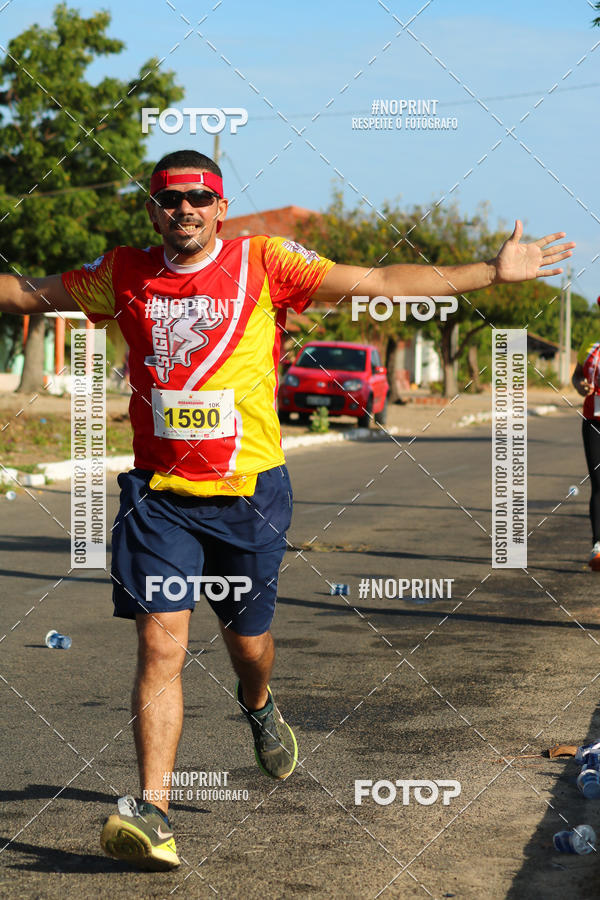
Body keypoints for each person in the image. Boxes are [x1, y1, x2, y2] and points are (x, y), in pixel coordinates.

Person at [0, 149, 574, 870]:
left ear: (219, 207)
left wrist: (488, 273)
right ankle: (154, 811)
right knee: (160, 644)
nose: (184, 209)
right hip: (159, 497)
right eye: (170, 198)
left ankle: (260, 703)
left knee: (248, 647)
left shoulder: (264, 262)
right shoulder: (122, 272)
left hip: (249, 495)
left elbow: (380, 282)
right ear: (152, 209)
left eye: (199, 198)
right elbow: (27, 295)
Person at [572, 331, 600, 569]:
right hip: (594, 418)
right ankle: (598, 547)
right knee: (598, 482)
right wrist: (581, 386)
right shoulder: (589, 345)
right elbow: (577, 376)